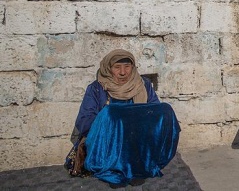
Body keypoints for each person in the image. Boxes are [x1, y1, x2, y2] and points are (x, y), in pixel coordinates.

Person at [69, 49, 181, 188]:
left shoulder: (143, 84)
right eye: (117, 67)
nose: (123, 72)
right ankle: (114, 168)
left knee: (165, 109)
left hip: (137, 141)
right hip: (108, 142)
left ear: (133, 68)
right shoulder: (96, 89)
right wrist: (112, 121)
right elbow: (84, 120)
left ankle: (137, 167)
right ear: (108, 68)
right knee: (110, 113)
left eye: (127, 67)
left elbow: (154, 111)